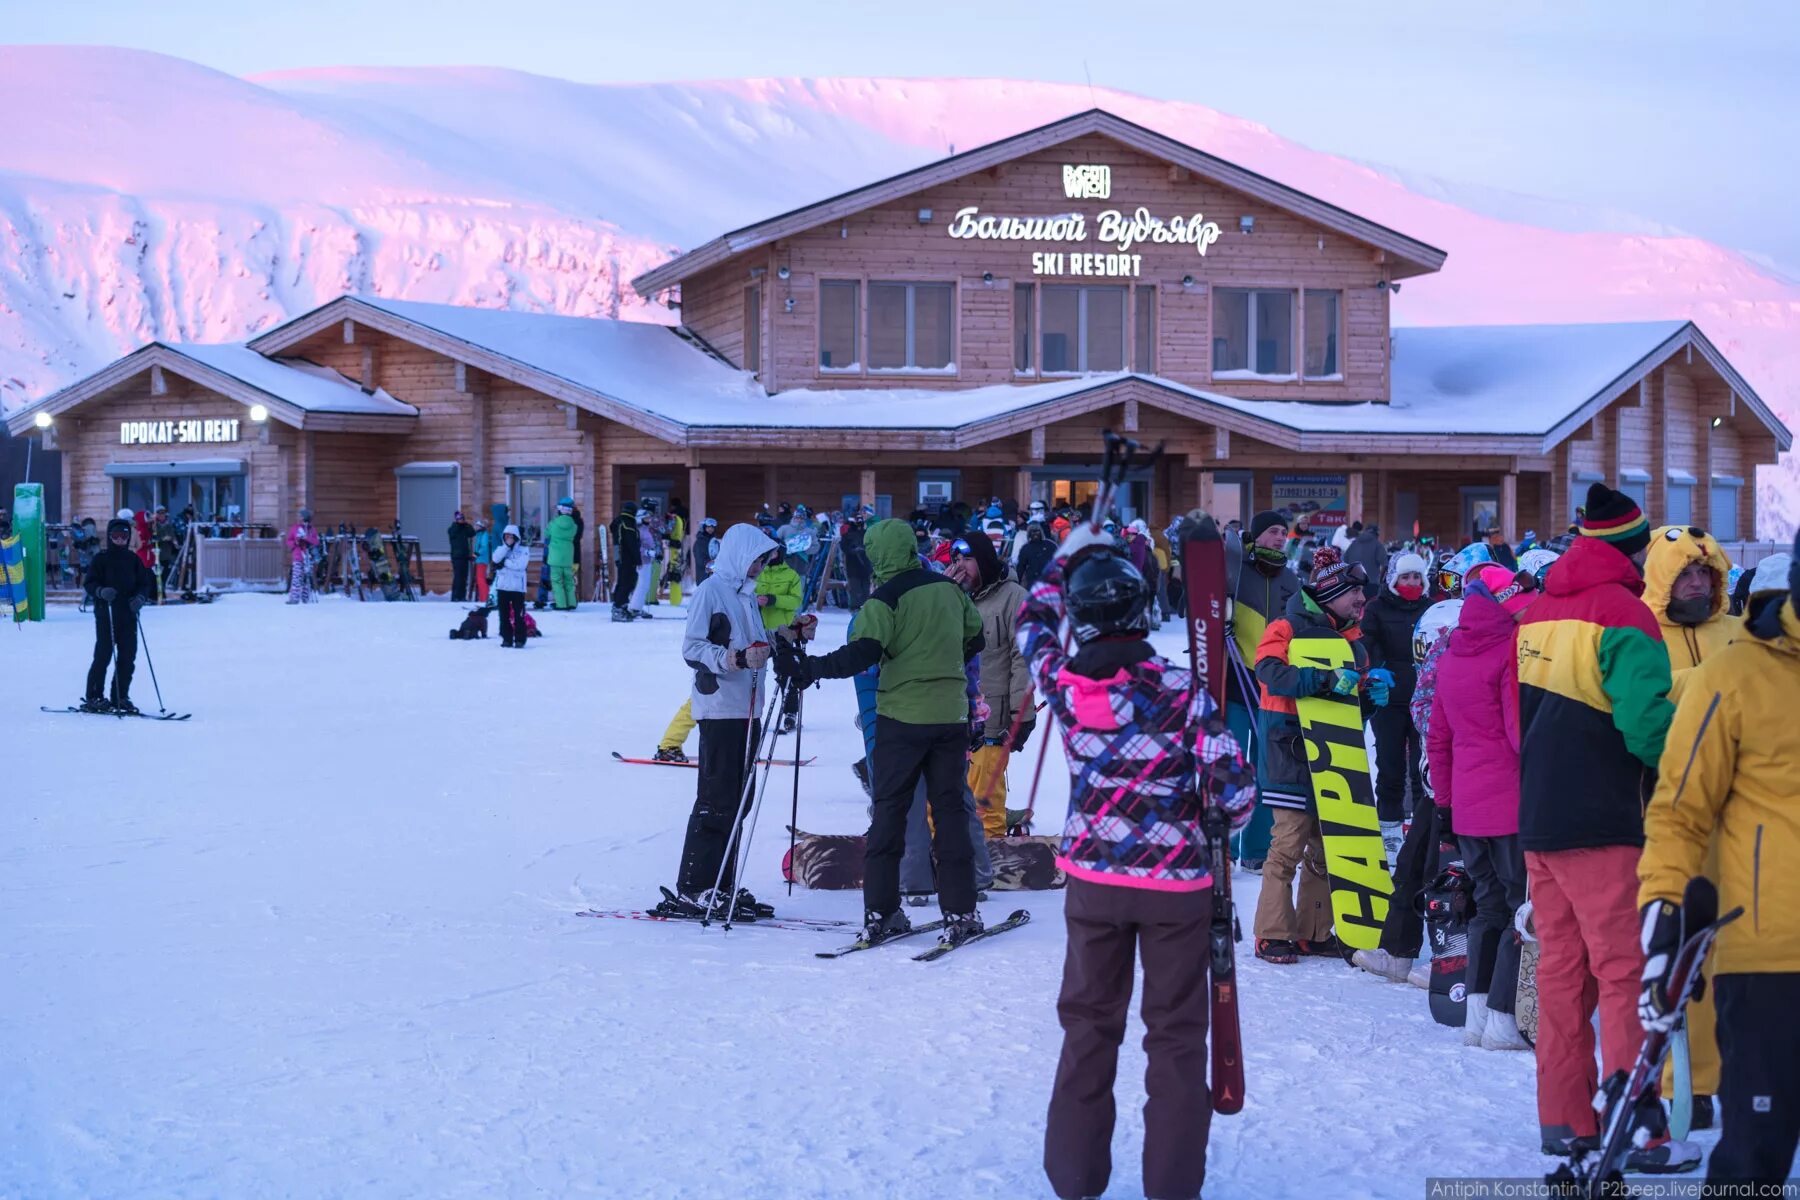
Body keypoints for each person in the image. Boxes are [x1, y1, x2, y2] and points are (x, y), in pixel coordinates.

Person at [1019, 519, 1255, 1200]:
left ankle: (1075, 1177)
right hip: (1176, 886)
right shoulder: (1180, 691)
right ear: (1140, 610)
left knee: (1089, 1028)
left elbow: (1032, 624)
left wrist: (1062, 563)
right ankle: (1171, 1186)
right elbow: (1236, 793)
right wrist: (1207, 808)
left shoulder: (1063, 684)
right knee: (1176, 1038)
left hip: (1093, 883)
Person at [1516, 482, 1689, 1169]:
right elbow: (1647, 728)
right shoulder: (1625, 614)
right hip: (1605, 821)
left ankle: (1566, 1122)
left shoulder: (1533, 611)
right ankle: (1638, 1128)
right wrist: (1703, 749)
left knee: (1561, 977)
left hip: (1541, 821)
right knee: (1624, 974)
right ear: (1631, 549)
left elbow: (1517, 719)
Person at [1637, 534, 1800, 1189]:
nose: (1699, 588)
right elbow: (1680, 809)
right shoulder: (1736, 674)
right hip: (1768, 953)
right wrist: (1663, 903)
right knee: (1756, 1153)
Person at [776, 518, 986, 946]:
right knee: (949, 816)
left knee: (890, 814)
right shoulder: (948, 590)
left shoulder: (883, 600)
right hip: (948, 719)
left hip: (901, 719)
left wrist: (811, 669)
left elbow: (863, 654)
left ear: (876, 555)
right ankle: (961, 911)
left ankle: (883, 910)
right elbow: (975, 638)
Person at [1638, 523, 1736, 1125]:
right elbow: (1636, 702)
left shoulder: (1738, 631)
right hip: (1672, 810)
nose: (1697, 584)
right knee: (1680, 954)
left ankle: (1743, 1075)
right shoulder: (1641, 633)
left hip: (1745, 812)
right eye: (1686, 574)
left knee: (1744, 952)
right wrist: (1702, 686)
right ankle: (1685, 1085)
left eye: (1706, 574)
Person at [1250, 546, 1389, 962]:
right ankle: (1272, 932)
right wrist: (1325, 679)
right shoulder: (1285, 628)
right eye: (1354, 595)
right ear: (1331, 595)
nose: (1362, 602)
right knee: (1287, 846)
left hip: (1334, 755)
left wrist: (1371, 698)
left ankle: (1314, 930)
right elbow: (1269, 672)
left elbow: (1351, 709)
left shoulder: (1355, 644)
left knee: (1326, 849)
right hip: (1287, 751)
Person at [1428, 563, 1539, 1051]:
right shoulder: (1509, 652)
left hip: (1469, 807)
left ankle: (1475, 1016)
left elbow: (1439, 738)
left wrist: (1445, 806)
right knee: (1521, 909)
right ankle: (1503, 1020)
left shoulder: (1450, 656)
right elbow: (1519, 735)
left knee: (1486, 907)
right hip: (1510, 804)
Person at [660, 524, 782, 919]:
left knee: (738, 802)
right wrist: (732, 660)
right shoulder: (713, 591)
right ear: (739, 555)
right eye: (757, 559)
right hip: (721, 709)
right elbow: (693, 647)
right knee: (717, 800)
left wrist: (786, 635)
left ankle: (722, 884)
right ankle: (695, 887)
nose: (761, 567)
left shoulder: (745, 597)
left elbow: (754, 643)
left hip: (748, 708)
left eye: (764, 561)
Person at [1228, 511, 1301, 873]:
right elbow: (1189, 605)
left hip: (1272, 687)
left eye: (1282, 533)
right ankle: (1221, 850)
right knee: (1230, 767)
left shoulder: (1290, 579)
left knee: (1263, 772)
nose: (1279, 538)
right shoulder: (1235, 570)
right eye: (1272, 532)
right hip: (1234, 680)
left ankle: (1255, 850)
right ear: (1256, 536)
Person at [952, 532, 1032, 837]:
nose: (960, 566)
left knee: (985, 800)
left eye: (967, 559)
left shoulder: (1015, 598)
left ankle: (992, 857)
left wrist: (1021, 713)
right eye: (956, 560)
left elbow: (1023, 658)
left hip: (992, 719)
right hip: (950, 713)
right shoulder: (953, 596)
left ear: (984, 560)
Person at [1360, 551, 1432, 854]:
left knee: (1422, 769)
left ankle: (1421, 828)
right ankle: (1389, 827)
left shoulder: (1431, 607)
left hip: (1424, 699)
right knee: (1390, 767)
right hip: (1388, 698)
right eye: (1406, 577)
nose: (1412, 582)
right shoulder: (1376, 608)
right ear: (1393, 579)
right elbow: (1367, 641)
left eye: (1417, 576)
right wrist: (1375, 667)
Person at [81, 517, 156, 712]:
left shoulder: (133, 560)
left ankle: (120, 696)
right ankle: (94, 696)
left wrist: (140, 598)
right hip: (106, 614)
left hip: (128, 615)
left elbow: (144, 584)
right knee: (103, 655)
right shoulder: (101, 559)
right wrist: (101, 591)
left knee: (127, 657)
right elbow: (89, 583)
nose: (120, 539)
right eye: (116, 535)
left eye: (124, 535)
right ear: (109, 536)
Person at [490, 524, 531, 648]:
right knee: (503, 615)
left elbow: (520, 565)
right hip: (502, 587)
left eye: (510, 536)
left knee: (519, 615)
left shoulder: (524, 550)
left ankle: (520, 639)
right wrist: (506, 548)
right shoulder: (501, 549)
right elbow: (496, 559)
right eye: (506, 536)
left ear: (516, 537)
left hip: (517, 588)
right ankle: (506, 639)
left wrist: (505, 562)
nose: (508, 538)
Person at [544, 498, 578, 611]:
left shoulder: (553, 523)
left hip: (555, 557)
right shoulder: (574, 525)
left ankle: (561, 604)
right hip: (568, 557)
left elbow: (546, 534)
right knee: (569, 581)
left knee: (557, 582)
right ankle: (571, 603)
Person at [631, 500, 662, 617]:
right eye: (646, 518)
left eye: (649, 518)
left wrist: (654, 553)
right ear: (640, 518)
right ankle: (634, 607)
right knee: (642, 584)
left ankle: (637, 607)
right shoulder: (639, 531)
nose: (649, 520)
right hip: (641, 561)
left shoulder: (645, 529)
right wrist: (648, 552)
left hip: (648, 560)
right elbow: (638, 547)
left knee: (645, 585)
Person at [610, 505, 641, 622]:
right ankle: (618, 608)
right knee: (626, 582)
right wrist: (637, 559)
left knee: (624, 581)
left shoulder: (620, 521)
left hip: (621, 556)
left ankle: (621, 606)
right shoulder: (627, 523)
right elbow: (631, 543)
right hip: (627, 557)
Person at [283, 508, 320, 604]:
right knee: (296, 578)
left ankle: (305, 598)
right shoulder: (295, 528)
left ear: (305, 518)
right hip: (298, 557)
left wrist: (307, 538)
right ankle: (294, 598)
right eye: (298, 516)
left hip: (309, 557)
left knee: (307, 578)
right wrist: (295, 543)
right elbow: (288, 540)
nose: (298, 518)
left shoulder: (311, 529)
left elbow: (316, 541)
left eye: (300, 516)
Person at [840, 507, 874, 608]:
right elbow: (844, 546)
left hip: (866, 564)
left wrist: (865, 550)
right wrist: (852, 550)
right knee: (855, 588)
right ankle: (855, 608)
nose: (859, 522)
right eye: (857, 519)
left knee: (865, 588)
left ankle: (865, 608)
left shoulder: (868, 533)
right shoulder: (848, 534)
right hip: (853, 565)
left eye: (861, 520)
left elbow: (872, 546)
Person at [1345, 521, 1388, 599]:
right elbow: (1385, 565)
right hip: (1371, 586)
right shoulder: (1377, 545)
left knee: (1355, 610)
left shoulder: (1353, 544)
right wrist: (1381, 581)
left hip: (1353, 585)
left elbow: (1344, 562)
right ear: (1377, 534)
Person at [447, 511, 476, 602]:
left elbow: (472, 533)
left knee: (464, 577)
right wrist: (458, 524)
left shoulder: (465, 528)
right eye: (459, 519)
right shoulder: (453, 528)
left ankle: (462, 596)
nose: (461, 520)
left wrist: (466, 524)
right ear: (456, 520)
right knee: (458, 577)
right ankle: (455, 596)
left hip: (465, 556)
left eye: (462, 518)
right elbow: (453, 532)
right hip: (457, 557)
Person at [471, 519, 492, 604]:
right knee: (479, 579)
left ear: (481, 527)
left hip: (482, 560)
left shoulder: (484, 535)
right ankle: (482, 598)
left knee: (481, 579)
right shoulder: (479, 534)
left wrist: (476, 554)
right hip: (479, 559)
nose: (475, 527)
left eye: (477, 526)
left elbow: (484, 547)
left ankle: (485, 598)